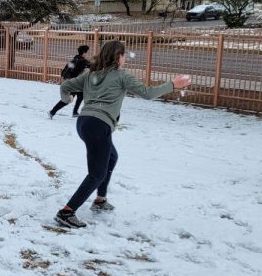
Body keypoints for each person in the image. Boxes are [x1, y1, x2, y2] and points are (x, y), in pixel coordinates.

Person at [53, 40, 191, 228]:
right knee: (96, 173)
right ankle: (67, 212)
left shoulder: (90, 74)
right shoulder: (121, 75)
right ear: (118, 56)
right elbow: (148, 93)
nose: (125, 58)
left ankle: (100, 200)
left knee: (111, 157)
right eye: (124, 55)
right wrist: (172, 85)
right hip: (99, 125)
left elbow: (65, 86)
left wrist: (66, 99)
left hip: (84, 123)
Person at [48, 45, 90, 118]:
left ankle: (74, 112)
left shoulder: (74, 60)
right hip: (75, 83)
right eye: (86, 52)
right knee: (67, 100)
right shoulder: (83, 62)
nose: (87, 54)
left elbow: (65, 70)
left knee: (80, 96)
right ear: (84, 53)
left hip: (71, 82)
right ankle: (52, 112)